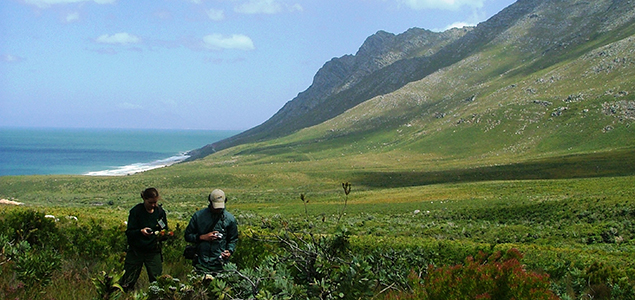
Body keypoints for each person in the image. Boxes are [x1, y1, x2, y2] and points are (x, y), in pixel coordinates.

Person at [120, 187, 168, 292]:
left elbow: (164, 229)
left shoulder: (160, 212)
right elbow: (129, 232)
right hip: (136, 251)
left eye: (155, 202)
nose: (153, 205)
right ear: (144, 199)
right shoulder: (136, 211)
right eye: (151, 202)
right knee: (128, 279)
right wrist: (140, 231)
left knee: (157, 281)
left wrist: (162, 235)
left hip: (153, 251)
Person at [185, 189, 238, 274]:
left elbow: (233, 239)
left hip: (220, 265)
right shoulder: (198, 217)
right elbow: (187, 236)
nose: (218, 210)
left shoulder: (230, 219)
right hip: (201, 263)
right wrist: (203, 237)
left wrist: (229, 251)